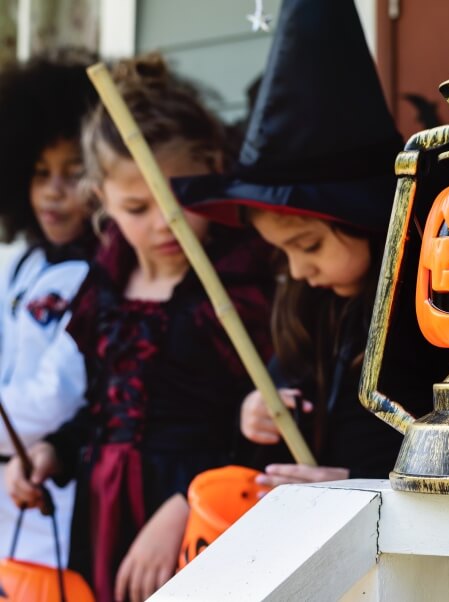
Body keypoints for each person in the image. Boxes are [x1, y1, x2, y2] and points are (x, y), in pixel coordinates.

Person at [6, 54, 273, 602]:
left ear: (213, 169)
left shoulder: (235, 288)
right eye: (136, 206)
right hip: (104, 510)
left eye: (182, 199)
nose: (163, 223)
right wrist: (53, 449)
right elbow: (105, 408)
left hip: (200, 515)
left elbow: (260, 422)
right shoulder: (103, 289)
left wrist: (180, 506)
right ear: (100, 202)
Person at [174, 0, 449, 488]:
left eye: (308, 246)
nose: (298, 271)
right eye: (284, 253)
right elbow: (279, 429)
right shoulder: (309, 308)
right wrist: (256, 416)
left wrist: (352, 482)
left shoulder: (439, 316)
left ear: (369, 222)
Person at [0, 49, 98, 568]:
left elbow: (57, 395)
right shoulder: (25, 263)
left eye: (72, 173)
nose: (53, 192)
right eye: (40, 173)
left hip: (52, 485)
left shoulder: (95, 275)